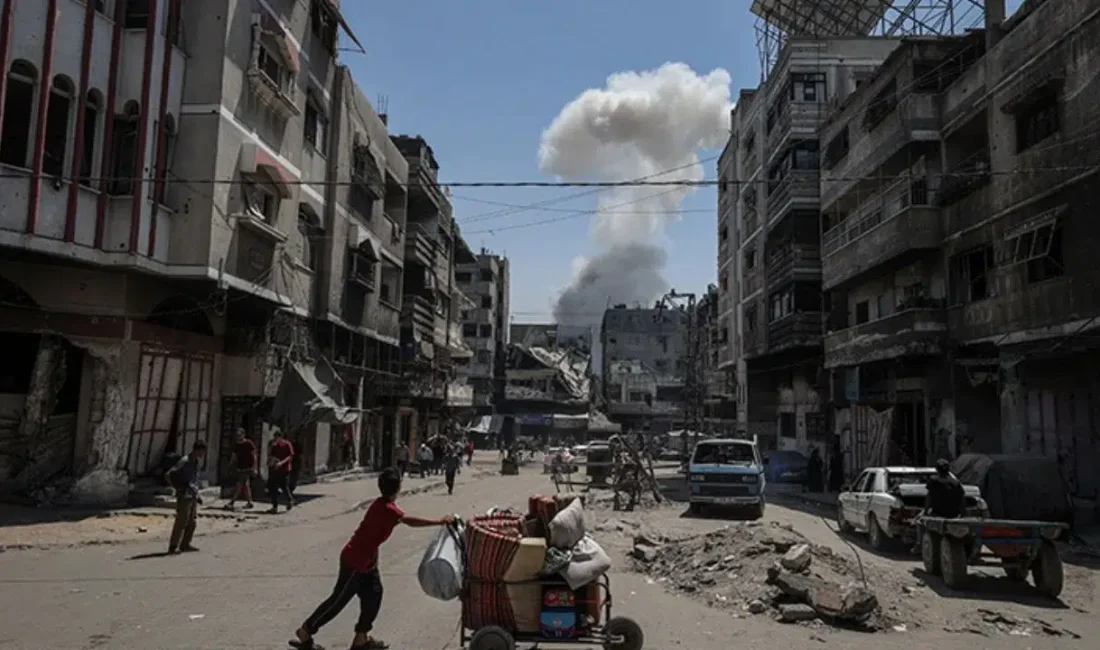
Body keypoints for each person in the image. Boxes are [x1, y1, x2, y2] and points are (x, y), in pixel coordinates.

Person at [291, 468, 455, 650]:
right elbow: (409, 520)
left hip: (367, 563)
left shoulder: (381, 504)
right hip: (355, 561)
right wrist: (439, 521)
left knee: (374, 595)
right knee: (337, 601)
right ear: (398, 487)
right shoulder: (386, 508)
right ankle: (306, 630)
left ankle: (361, 638)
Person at [912, 459, 966, 553]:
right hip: (953, 514)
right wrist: (962, 514)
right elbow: (962, 499)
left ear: (937, 470)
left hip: (937, 512)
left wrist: (925, 511)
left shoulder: (934, 481)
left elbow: (929, 497)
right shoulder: (956, 483)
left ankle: (919, 544)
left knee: (919, 521)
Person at [164, 440, 208, 554]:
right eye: (202, 451)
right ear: (197, 450)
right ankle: (173, 546)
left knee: (192, 522)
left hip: (192, 494)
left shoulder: (195, 462)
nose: (203, 454)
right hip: (184, 495)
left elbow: (193, 480)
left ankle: (185, 544)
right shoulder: (185, 461)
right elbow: (169, 475)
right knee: (181, 521)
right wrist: (178, 487)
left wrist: (197, 494)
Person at [225, 428, 257, 511]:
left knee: (240, 484)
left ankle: (232, 501)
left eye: (239, 435)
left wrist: (254, 467)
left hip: (248, 467)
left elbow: (254, 456)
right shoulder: (236, 445)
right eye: (237, 435)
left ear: (243, 435)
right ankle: (250, 502)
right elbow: (234, 457)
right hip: (240, 467)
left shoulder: (249, 443)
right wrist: (230, 466)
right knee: (245, 485)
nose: (238, 437)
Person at [268, 431, 296, 513]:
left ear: (281, 437)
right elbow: (272, 455)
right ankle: (274, 506)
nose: (275, 439)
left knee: (283, 485)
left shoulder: (287, 444)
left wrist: (281, 463)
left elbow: (290, 456)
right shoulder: (275, 446)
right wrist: (271, 462)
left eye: (277, 437)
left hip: (285, 468)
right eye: (274, 437)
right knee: (272, 486)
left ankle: (290, 500)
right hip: (275, 468)